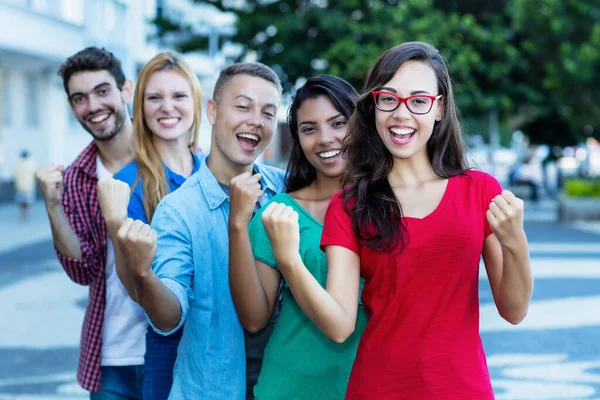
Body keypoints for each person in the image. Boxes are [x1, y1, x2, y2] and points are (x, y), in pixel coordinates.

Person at [259, 42, 533, 399]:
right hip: (378, 387)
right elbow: (340, 326)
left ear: (439, 108)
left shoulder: (479, 190)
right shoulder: (351, 204)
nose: (402, 114)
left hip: (463, 388)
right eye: (389, 98)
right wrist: (290, 261)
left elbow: (514, 310)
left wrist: (515, 241)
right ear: (374, 105)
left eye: (418, 101)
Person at [114, 62, 285, 399]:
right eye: (243, 106)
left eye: (268, 112)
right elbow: (167, 318)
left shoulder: (286, 189)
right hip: (213, 389)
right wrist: (143, 272)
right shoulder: (178, 211)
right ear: (212, 110)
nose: (256, 120)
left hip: (283, 386)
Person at [229, 75, 368, 399]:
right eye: (309, 128)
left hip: (371, 382)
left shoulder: (388, 206)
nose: (325, 139)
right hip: (289, 386)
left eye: (338, 123)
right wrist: (237, 224)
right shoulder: (282, 213)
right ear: (297, 139)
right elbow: (254, 319)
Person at [35, 47, 144, 398]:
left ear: (125, 91)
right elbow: (83, 271)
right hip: (110, 356)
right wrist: (53, 206)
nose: (93, 106)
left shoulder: (168, 160)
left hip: (173, 348)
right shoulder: (78, 178)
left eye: (102, 91)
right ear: (71, 108)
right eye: (80, 98)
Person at [96, 52, 203, 400]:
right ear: (140, 107)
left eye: (178, 96)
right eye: (154, 97)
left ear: (197, 103)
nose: (166, 107)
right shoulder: (127, 184)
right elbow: (136, 289)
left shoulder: (214, 173)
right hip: (168, 351)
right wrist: (115, 224)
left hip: (221, 348)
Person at [13, 149, 37, 220]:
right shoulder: (32, 164)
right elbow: (35, 174)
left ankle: (22, 213)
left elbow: (14, 175)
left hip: (19, 187)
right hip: (29, 186)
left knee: (20, 202)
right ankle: (26, 213)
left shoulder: (17, 164)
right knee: (27, 202)